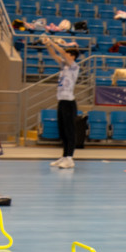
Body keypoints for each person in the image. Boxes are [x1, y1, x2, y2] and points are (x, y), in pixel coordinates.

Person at [41, 36, 81, 169]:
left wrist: (53, 42)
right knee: (62, 130)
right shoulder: (64, 66)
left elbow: (62, 53)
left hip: (69, 102)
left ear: (73, 56)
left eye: (68, 54)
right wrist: (48, 44)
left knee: (69, 130)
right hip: (61, 101)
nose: (65, 56)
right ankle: (64, 156)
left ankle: (70, 158)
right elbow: (54, 55)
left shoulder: (74, 66)